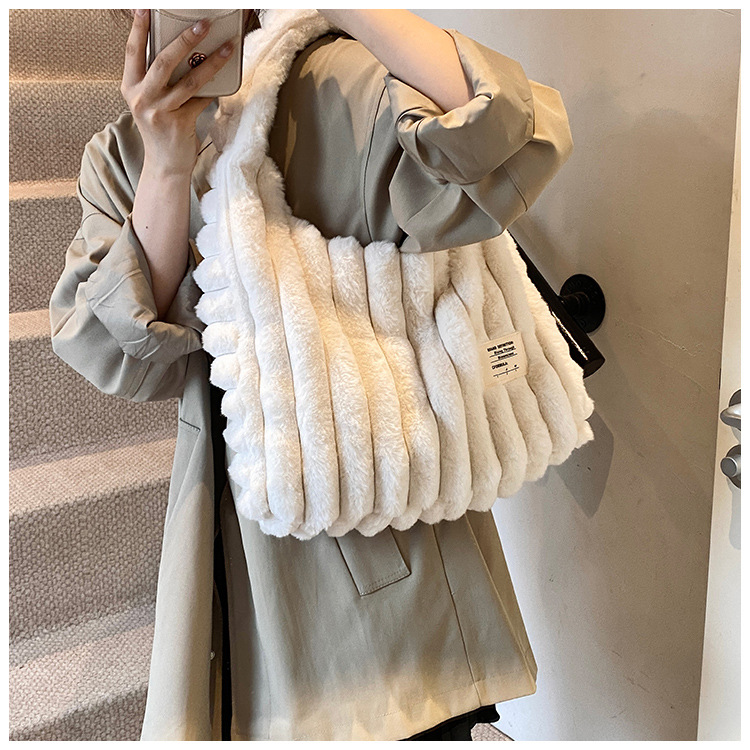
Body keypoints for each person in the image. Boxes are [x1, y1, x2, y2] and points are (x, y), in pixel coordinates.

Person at [49, 8, 573, 741]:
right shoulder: (120, 153)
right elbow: (113, 354)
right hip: (230, 509)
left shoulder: (331, 79)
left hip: (366, 539)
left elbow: (507, 140)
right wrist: (166, 163)